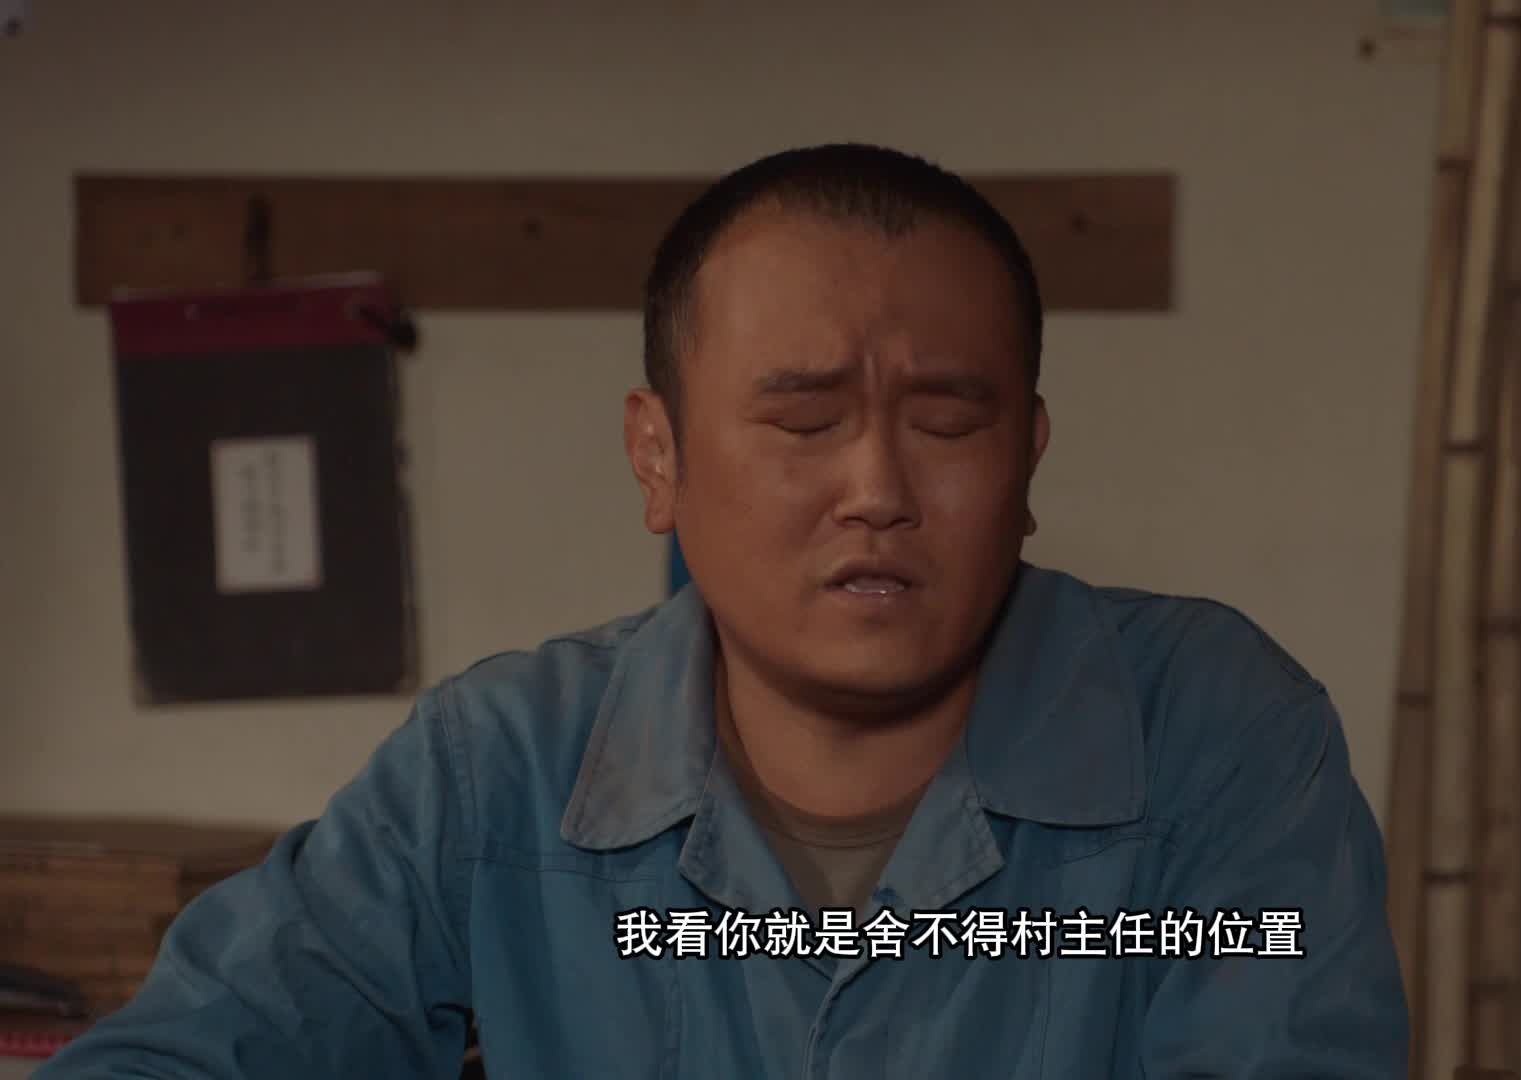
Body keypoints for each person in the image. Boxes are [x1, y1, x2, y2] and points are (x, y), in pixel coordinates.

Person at [39, 143, 1408, 1078]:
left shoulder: (1216, 734)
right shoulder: (499, 770)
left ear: (1029, 460)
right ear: (658, 458)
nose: (877, 490)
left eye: (947, 422)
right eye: (804, 423)